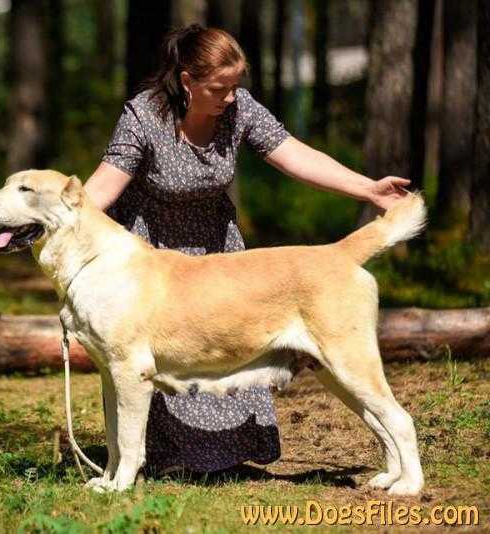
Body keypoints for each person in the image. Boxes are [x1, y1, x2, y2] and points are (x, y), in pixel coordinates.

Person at [82, 24, 409, 476]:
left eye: (236, 85)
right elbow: (101, 188)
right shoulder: (143, 115)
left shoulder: (240, 109)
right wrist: (53, 222)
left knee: (229, 348)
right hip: (152, 258)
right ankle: (151, 461)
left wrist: (367, 189)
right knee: (144, 368)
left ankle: (223, 460)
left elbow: (295, 155)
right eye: (220, 87)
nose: (230, 96)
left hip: (219, 254)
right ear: (186, 81)